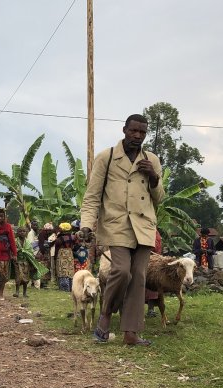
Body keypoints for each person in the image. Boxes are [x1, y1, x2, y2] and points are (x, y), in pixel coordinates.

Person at [79, 113, 165, 347]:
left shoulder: (152, 160)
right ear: (124, 130)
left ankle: (131, 333)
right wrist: (86, 224)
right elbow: (92, 196)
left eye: (142, 132)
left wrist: (154, 177)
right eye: (133, 131)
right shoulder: (106, 158)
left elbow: (159, 198)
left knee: (138, 277)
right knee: (122, 271)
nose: (137, 136)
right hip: (117, 225)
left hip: (144, 226)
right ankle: (106, 315)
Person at [53, 222, 77, 292]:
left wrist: (55, 257)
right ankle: (71, 287)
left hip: (62, 254)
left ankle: (64, 288)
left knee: (62, 270)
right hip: (70, 253)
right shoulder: (73, 237)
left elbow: (56, 247)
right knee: (70, 270)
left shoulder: (60, 239)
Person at [14, 226, 36, 298]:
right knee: (18, 277)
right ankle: (17, 291)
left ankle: (24, 292)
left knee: (26, 278)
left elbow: (31, 252)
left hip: (26, 262)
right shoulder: (15, 241)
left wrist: (26, 252)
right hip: (18, 262)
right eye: (20, 231)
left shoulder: (28, 242)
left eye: (24, 231)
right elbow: (13, 250)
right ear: (18, 233)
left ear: (26, 233)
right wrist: (18, 250)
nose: (22, 233)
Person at [145, 230, 162, 317]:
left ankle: (151, 309)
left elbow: (156, 246)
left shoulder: (155, 232)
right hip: (142, 259)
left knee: (152, 287)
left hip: (153, 262)